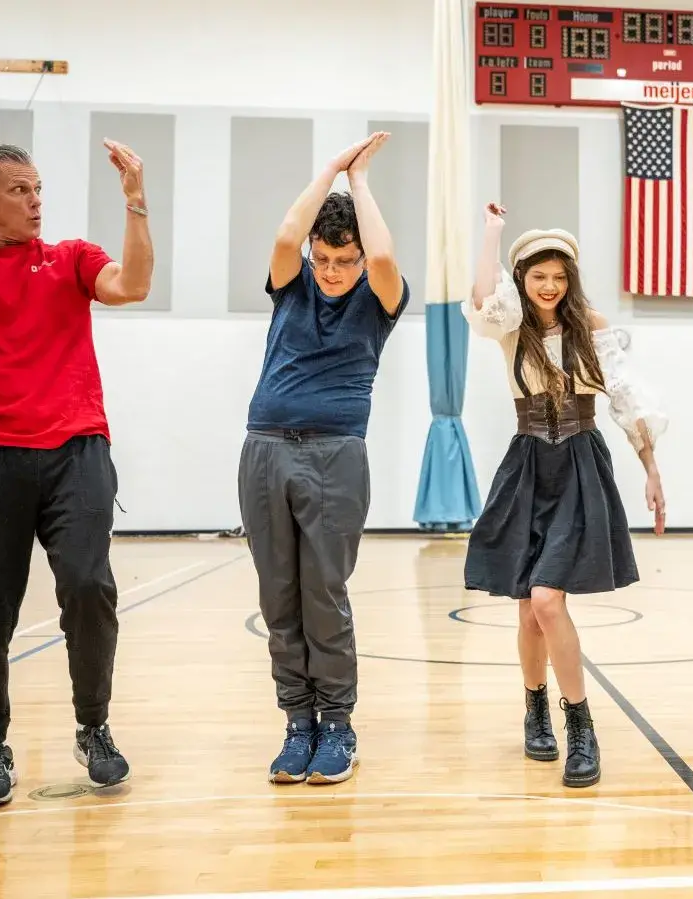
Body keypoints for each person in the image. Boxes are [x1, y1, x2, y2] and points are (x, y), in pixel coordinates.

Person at [0, 123, 154, 808]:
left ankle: (94, 727)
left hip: (77, 449)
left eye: (39, 189)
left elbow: (132, 284)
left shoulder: (71, 258)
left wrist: (136, 200)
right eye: (18, 191)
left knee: (87, 584)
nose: (35, 201)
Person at [462, 202, 667, 788]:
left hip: (580, 463)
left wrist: (651, 468)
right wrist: (493, 233)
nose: (549, 287)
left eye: (559, 277)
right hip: (528, 464)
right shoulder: (510, 327)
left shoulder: (594, 329)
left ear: (570, 280)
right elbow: (481, 299)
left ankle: (581, 727)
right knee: (529, 612)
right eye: (537, 277)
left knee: (549, 600)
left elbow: (627, 399)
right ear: (523, 280)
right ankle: (535, 710)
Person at [244, 132, 408, 786]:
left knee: (323, 593)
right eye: (324, 258)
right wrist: (330, 171)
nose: (333, 270)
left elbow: (387, 253)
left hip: (338, 455)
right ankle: (297, 722)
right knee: (278, 597)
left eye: (345, 259)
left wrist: (360, 182)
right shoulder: (292, 285)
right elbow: (286, 236)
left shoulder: (379, 300)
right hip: (265, 449)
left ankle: (338, 723)